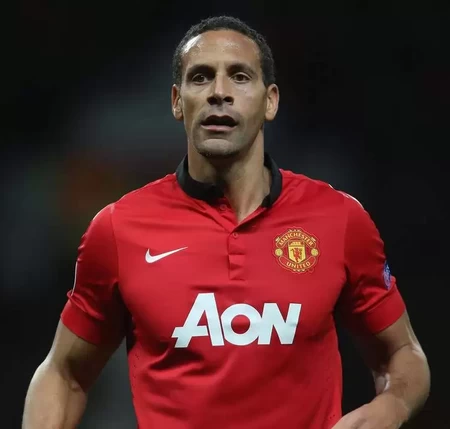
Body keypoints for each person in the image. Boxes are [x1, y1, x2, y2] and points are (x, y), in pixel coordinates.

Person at [22, 15, 430, 429]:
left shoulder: (339, 219)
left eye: (239, 76)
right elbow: (64, 373)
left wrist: (390, 408)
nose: (219, 92)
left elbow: (403, 353)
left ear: (270, 101)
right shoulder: (118, 229)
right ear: (177, 102)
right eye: (201, 77)